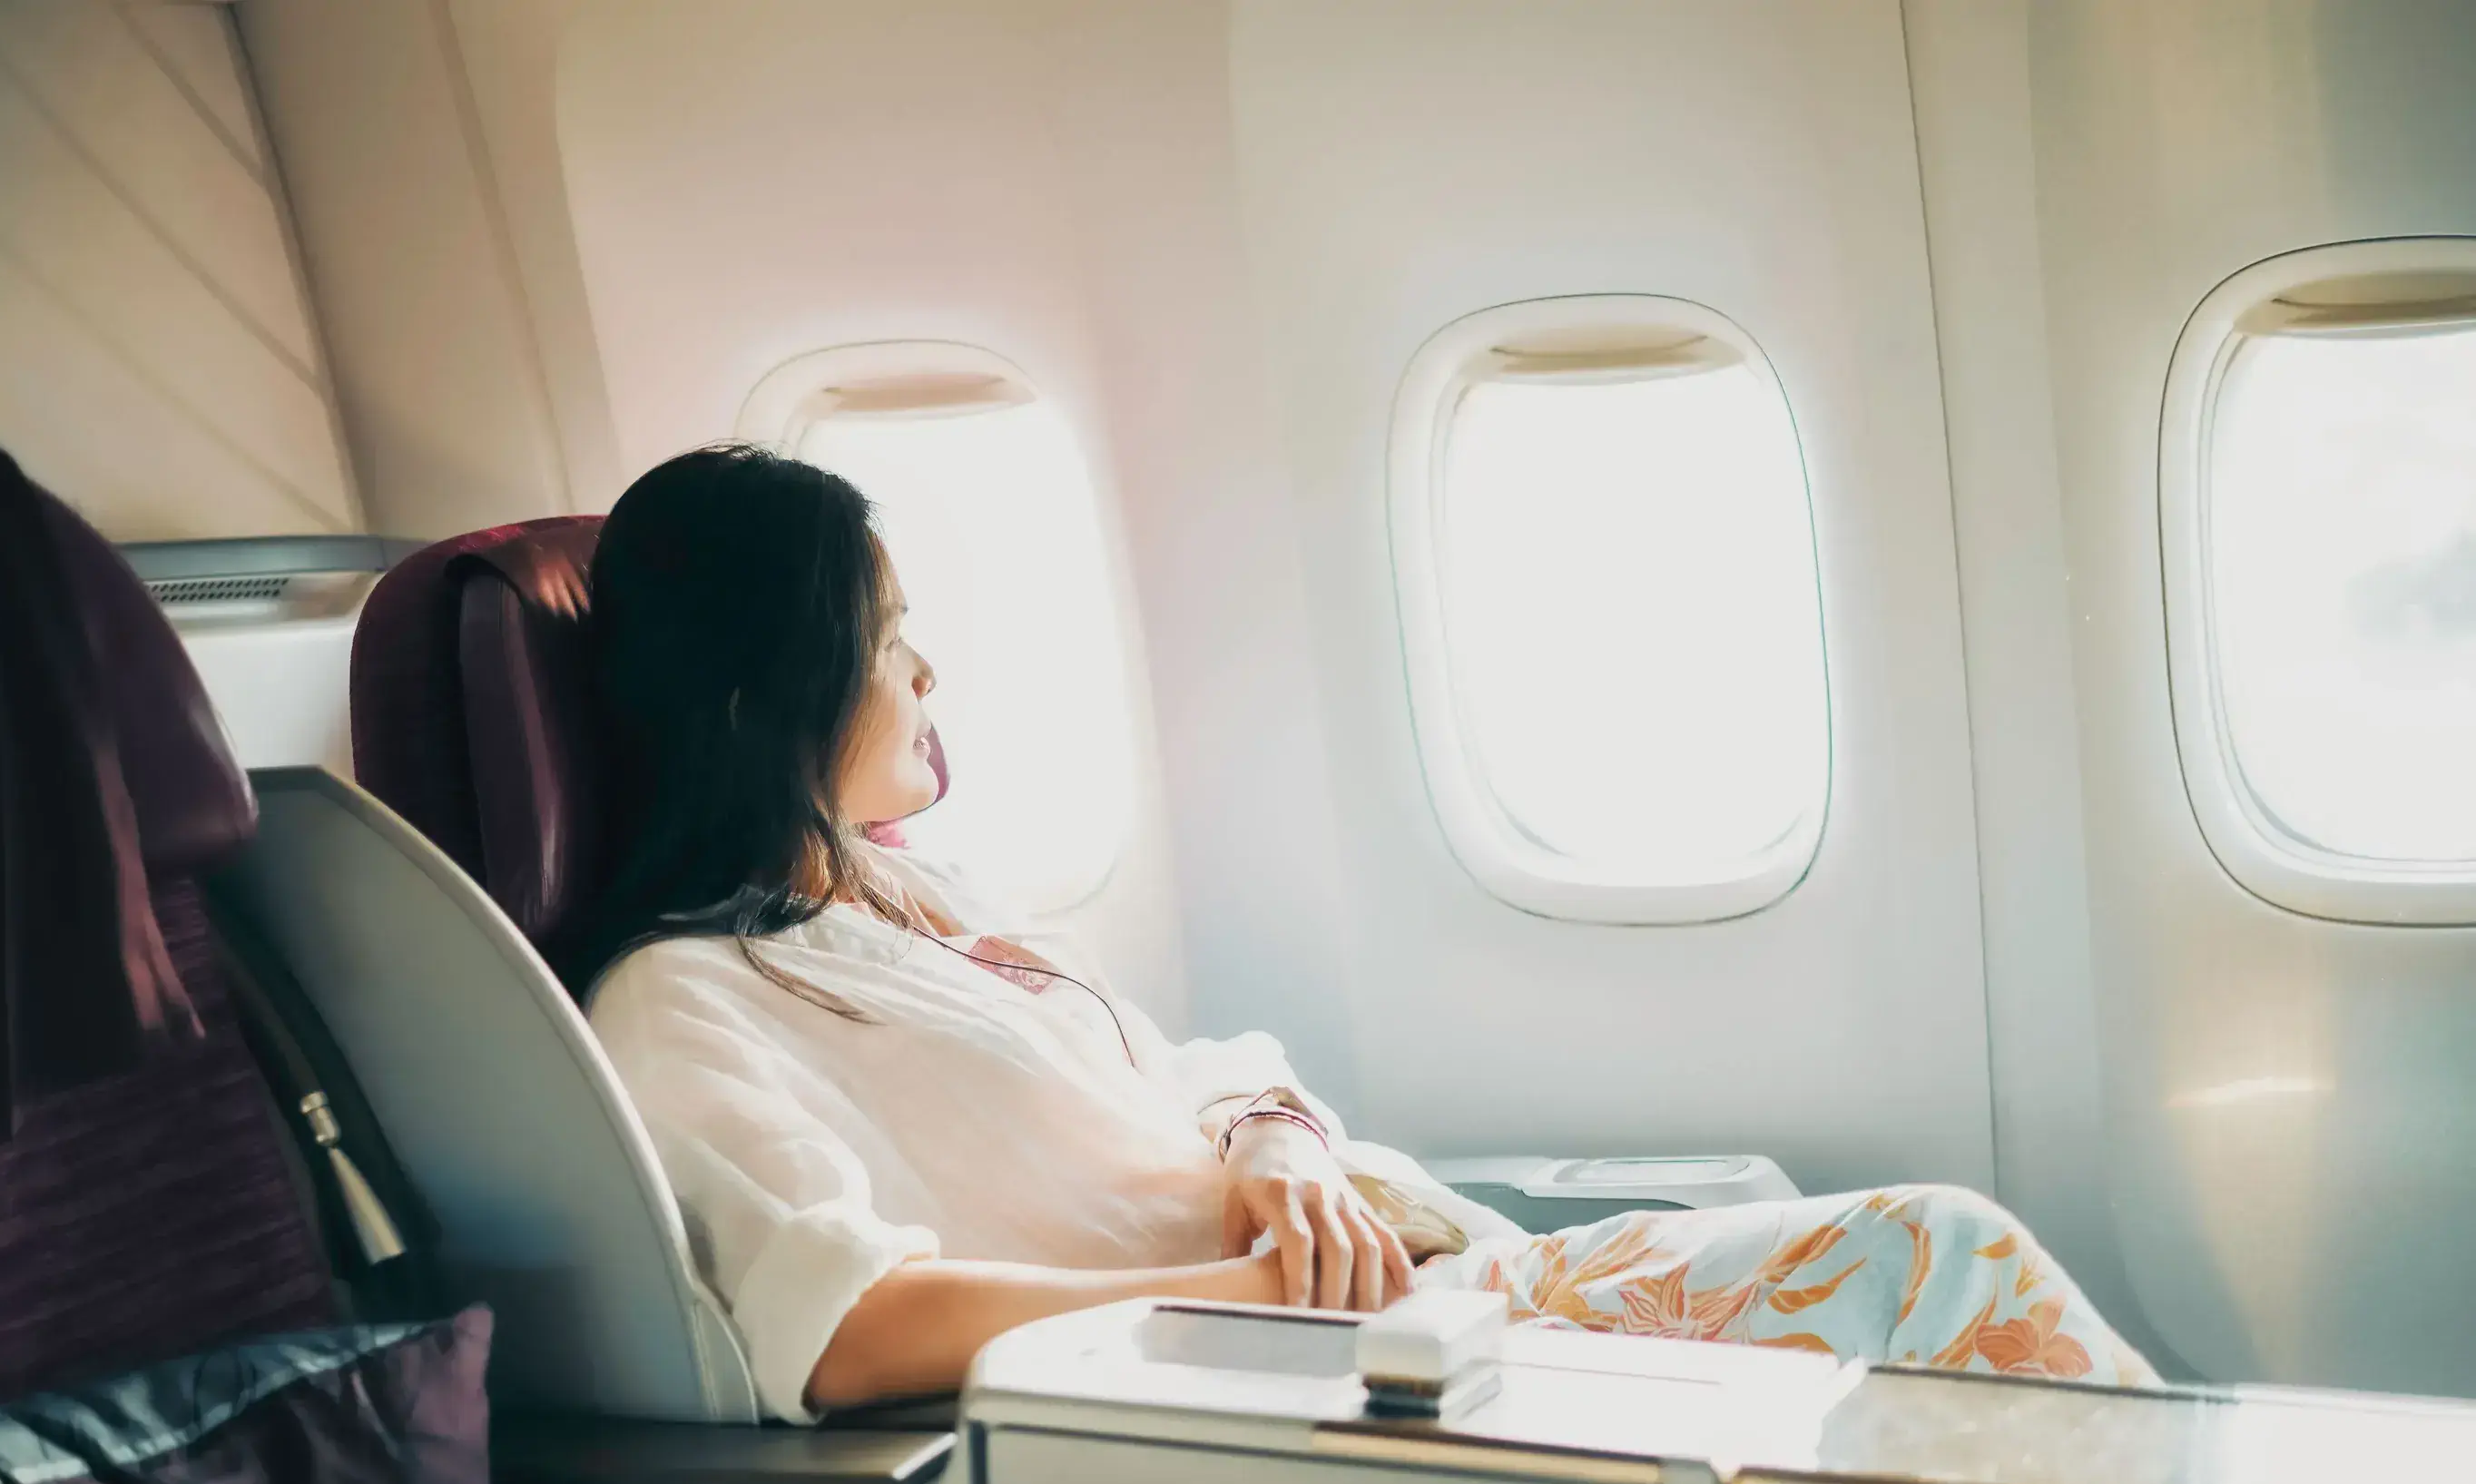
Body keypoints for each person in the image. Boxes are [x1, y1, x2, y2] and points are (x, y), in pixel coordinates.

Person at [566, 445, 2156, 1422]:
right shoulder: (681, 1002)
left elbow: (1176, 1073)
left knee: (1922, 1308)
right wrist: (1259, 1295)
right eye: (893, 641)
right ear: (763, 695)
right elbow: (842, 1327)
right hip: (1316, 1369)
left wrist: (1274, 1141)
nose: (928, 680)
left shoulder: (906, 899)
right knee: (1933, 1258)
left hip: (1394, 1290)